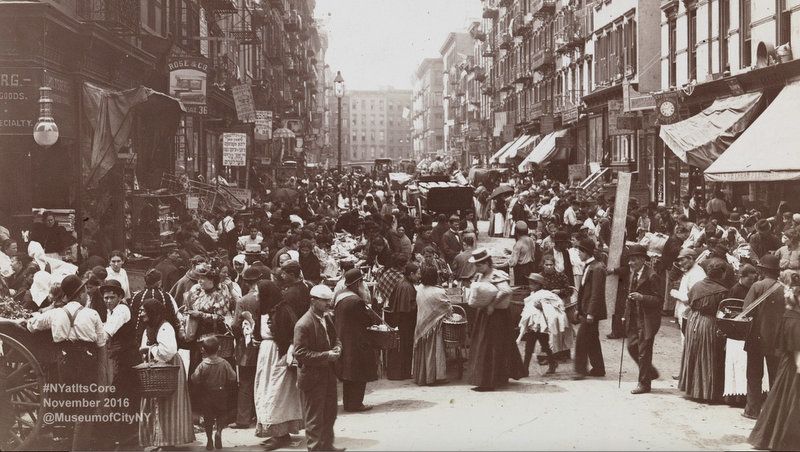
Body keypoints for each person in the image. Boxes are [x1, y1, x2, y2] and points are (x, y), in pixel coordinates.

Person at [25, 274, 104, 451]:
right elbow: (101, 343)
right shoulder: (92, 314)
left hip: (64, 362)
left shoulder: (55, 314)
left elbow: (31, 325)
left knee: (68, 401)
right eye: (85, 292)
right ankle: (79, 446)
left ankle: (66, 440)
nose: (87, 296)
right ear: (81, 293)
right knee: (86, 406)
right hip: (87, 361)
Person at [748, 274, 800, 451]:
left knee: (777, 398)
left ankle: (757, 417)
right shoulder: (794, 319)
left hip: (782, 357)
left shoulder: (790, 315)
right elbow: (797, 352)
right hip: (792, 362)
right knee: (787, 401)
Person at [293, 284, 344, 451]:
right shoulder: (303, 324)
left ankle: (327, 446)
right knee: (314, 418)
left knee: (330, 413)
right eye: (324, 301)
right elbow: (300, 354)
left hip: (328, 373)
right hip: (312, 377)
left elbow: (335, 337)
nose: (328, 304)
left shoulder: (327, 318)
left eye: (329, 300)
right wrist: (327, 355)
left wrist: (337, 348)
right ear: (313, 301)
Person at [138, 298, 194, 448]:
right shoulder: (148, 328)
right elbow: (145, 346)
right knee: (156, 404)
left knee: (169, 405)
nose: (141, 313)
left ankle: (169, 441)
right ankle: (158, 440)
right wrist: (148, 349)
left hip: (169, 369)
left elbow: (167, 352)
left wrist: (150, 349)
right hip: (156, 369)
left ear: (153, 312)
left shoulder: (165, 327)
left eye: (144, 310)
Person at [466, 249, 525, 391]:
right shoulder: (481, 275)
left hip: (497, 316)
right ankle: (493, 378)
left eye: (480, 265)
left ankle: (489, 381)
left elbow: (506, 291)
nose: (477, 268)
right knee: (486, 345)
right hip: (485, 314)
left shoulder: (496, 275)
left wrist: (492, 304)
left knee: (490, 346)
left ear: (487, 263)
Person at [678, 258, 729, 402]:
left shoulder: (697, 285)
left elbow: (689, 301)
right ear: (722, 274)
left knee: (693, 352)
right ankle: (705, 391)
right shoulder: (722, 291)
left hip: (694, 320)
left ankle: (692, 389)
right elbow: (722, 311)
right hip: (709, 322)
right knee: (708, 355)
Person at [743, 254, 786, 419]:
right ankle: (774, 413)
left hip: (756, 336)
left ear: (761, 270)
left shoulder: (757, 286)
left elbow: (746, 310)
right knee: (775, 375)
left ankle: (752, 410)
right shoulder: (784, 289)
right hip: (776, 339)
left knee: (754, 374)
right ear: (777, 272)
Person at [334, 268, 381, 411]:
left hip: (343, 338)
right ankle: (356, 404)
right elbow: (367, 320)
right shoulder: (356, 301)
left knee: (348, 374)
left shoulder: (340, 295)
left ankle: (349, 403)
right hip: (356, 341)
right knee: (359, 373)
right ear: (357, 283)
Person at [618, 245, 663, 394]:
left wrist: (642, 297)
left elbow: (658, 300)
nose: (630, 263)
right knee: (632, 347)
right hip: (634, 318)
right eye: (629, 260)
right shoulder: (633, 274)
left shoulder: (652, 275)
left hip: (647, 319)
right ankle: (650, 372)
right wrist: (625, 314)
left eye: (634, 260)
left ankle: (644, 384)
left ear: (643, 260)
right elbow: (629, 297)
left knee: (644, 352)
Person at [99, 278, 139, 446]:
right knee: (120, 395)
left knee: (124, 395)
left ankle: (129, 436)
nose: (108, 301)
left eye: (112, 297)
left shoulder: (122, 310)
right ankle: (125, 434)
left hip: (127, 358)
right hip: (120, 357)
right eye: (106, 298)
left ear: (120, 297)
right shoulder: (112, 311)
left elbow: (107, 332)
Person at [191, 336, 237, 450]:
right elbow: (233, 377)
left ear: (204, 350)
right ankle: (219, 432)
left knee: (208, 418)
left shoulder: (202, 365)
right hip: (221, 393)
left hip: (207, 395)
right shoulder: (224, 363)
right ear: (219, 348)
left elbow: (194, 379)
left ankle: (209, 441)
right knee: (222, 414)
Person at [230, 267, 262, 429]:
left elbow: (236, 326)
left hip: (247, 348)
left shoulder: (243, 301)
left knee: (245, 382)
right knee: (262, 381)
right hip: (265, 345)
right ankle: (261, 415)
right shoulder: (267, 296)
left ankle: (243, 419)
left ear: (246, 282)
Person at [724, 264, 759, 407]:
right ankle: (736, 397)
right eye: (749, 280)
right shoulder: (735, 290)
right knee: (737, 365)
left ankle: (742, 396)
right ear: (742, 277)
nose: (752, 283)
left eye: (753, 280)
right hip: (737, 332)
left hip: (746, 331)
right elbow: (729, 310)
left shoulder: (751, 288)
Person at [517, 273, 566, 376]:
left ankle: (552, 363)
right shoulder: (532, 295)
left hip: (541, 325)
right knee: (529, 348)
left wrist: (542, 306)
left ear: (539, 285)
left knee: (545, 346)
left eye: (533, 284)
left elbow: (554, 307)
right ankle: (525, 369)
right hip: (532, 325)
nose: (531, 286)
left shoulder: (546, 294)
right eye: (530, 283)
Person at [573, 238, 606, 380]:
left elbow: (596, 293)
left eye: (580, 251)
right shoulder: (590, 266)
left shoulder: (597, 268)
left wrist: (591, 313)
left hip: (591, 312)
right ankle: (599, 368)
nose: (578, 254)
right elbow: (584, 291)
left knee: (581, 340)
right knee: (592, 339)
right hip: (586, 310)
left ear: (586, 252)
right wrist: (579, 309)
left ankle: (580, 370)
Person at [412, 264, 452, 385]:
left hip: (421, 324)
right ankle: (433, 377)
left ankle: (422, 377)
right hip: (434, 327)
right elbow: (448, 308)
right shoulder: (438, 292)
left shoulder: (419, 289)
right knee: (434, 352)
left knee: (423, 351)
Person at [384, 260, 418, 381]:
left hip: (401, 320)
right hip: (405, 322)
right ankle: (403, 373)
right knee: (404, 348)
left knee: (401, 348)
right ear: (412, 274)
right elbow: (409, 308)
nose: (419, 276)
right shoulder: (406, 287)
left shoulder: (402, 283)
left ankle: (402, 372)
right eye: (417, 273)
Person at [507, 221, 539, 286]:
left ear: (516, 232)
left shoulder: (518, 244)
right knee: (529, 286)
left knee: (520, 288)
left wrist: (502, 264)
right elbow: (527, 253)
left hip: (520, 270)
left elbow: (512, 263)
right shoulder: (531, 240)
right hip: (531, 267)